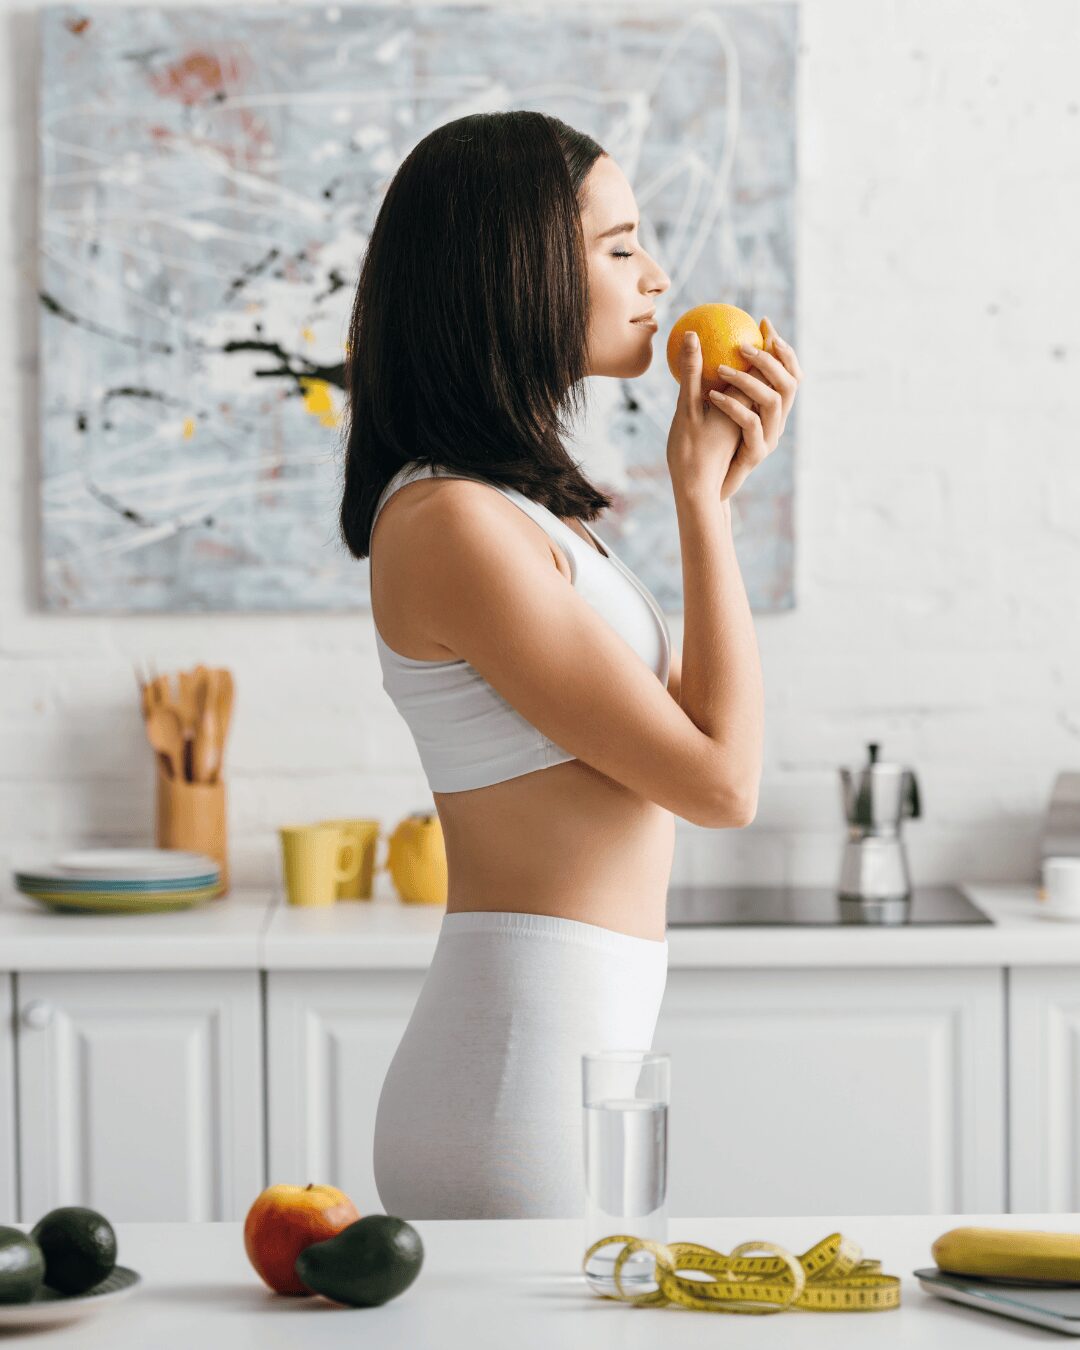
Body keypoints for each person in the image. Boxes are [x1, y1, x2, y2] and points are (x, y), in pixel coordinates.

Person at [337, 110, 803, 1218]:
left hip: (565, 1064)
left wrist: (707, 502)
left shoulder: (514, 510)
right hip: (514, 1091)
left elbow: (687, 741)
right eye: (620, 246)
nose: (658, 274)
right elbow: (721, 784)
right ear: (518, 272)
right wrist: (700, 508)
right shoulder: (452, 521)